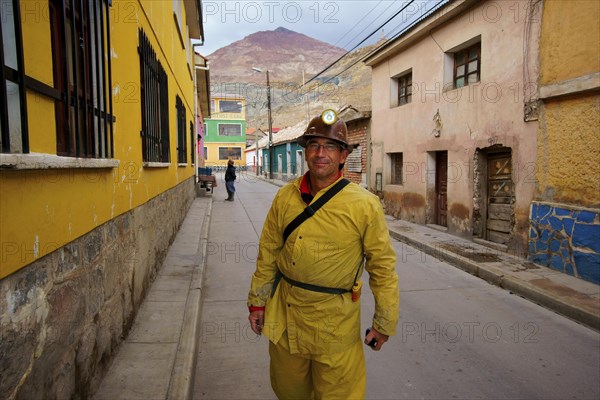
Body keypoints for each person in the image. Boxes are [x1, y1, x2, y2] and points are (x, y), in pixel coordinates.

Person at [247, 109, 399, 399]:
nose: (320, 153)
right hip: (285, 318)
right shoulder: (284, 197)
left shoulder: (365, 205)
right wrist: (257, 303)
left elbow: (382, 269)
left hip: (335, 327)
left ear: (343, 156)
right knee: (288, 392)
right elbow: (268, 253)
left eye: (330, 146)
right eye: (314, 145)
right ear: (305, 152)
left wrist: (384, 323)